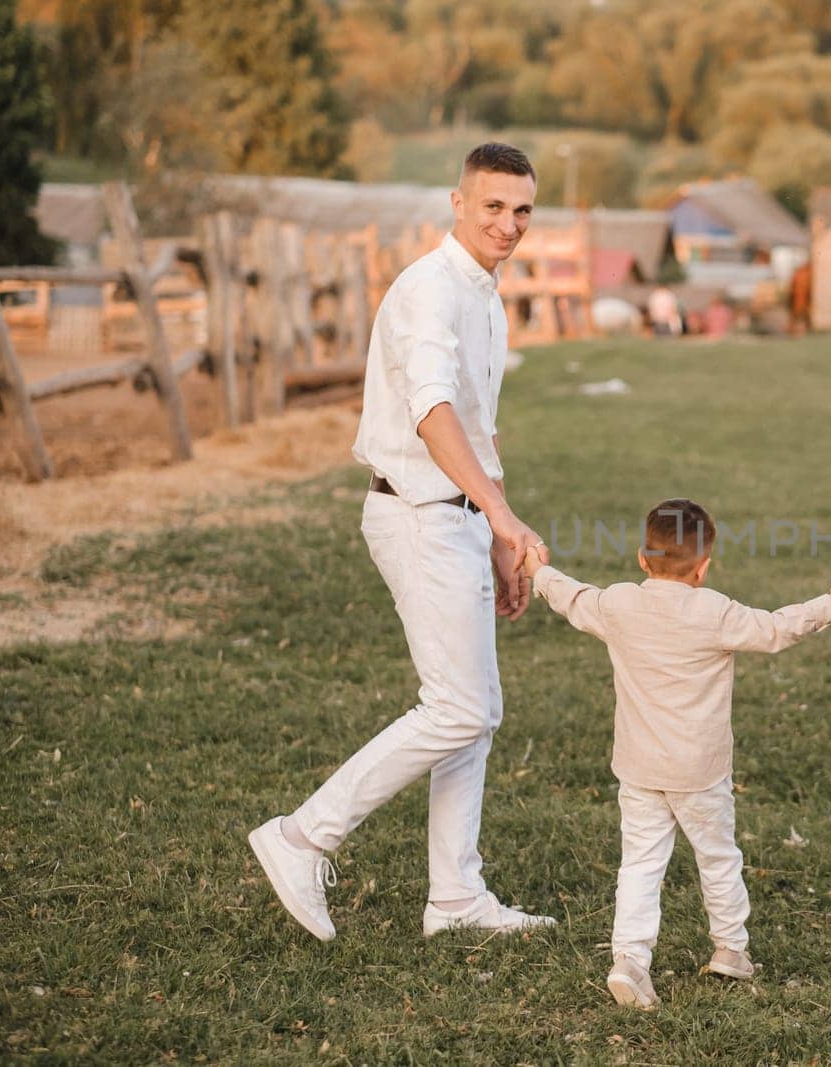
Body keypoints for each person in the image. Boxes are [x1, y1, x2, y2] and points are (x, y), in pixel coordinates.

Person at [248, 143, 555, 942]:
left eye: (522, 209)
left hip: (456, 514)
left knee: (476, 711)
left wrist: (495, 528)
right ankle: (301, 834)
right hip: (416, 512)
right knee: (457, 704)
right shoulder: (428, 290)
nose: (509, 224)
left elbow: (477, 432)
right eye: (493, 206)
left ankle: (455, 896)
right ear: (456, 203)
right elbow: (432, 411)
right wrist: (501, 517)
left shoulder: (484, 297)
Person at [527, 500, 831, 1009]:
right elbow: (776, 628)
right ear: (703, 567)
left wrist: (537, 570)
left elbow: (571, 596)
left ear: (641, 558)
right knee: (718, 856)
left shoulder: (618, 604)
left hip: (639, 768)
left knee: (639, 863)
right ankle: (730, 949)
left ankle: (630, 960)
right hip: (699, 772)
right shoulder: (715, 612)